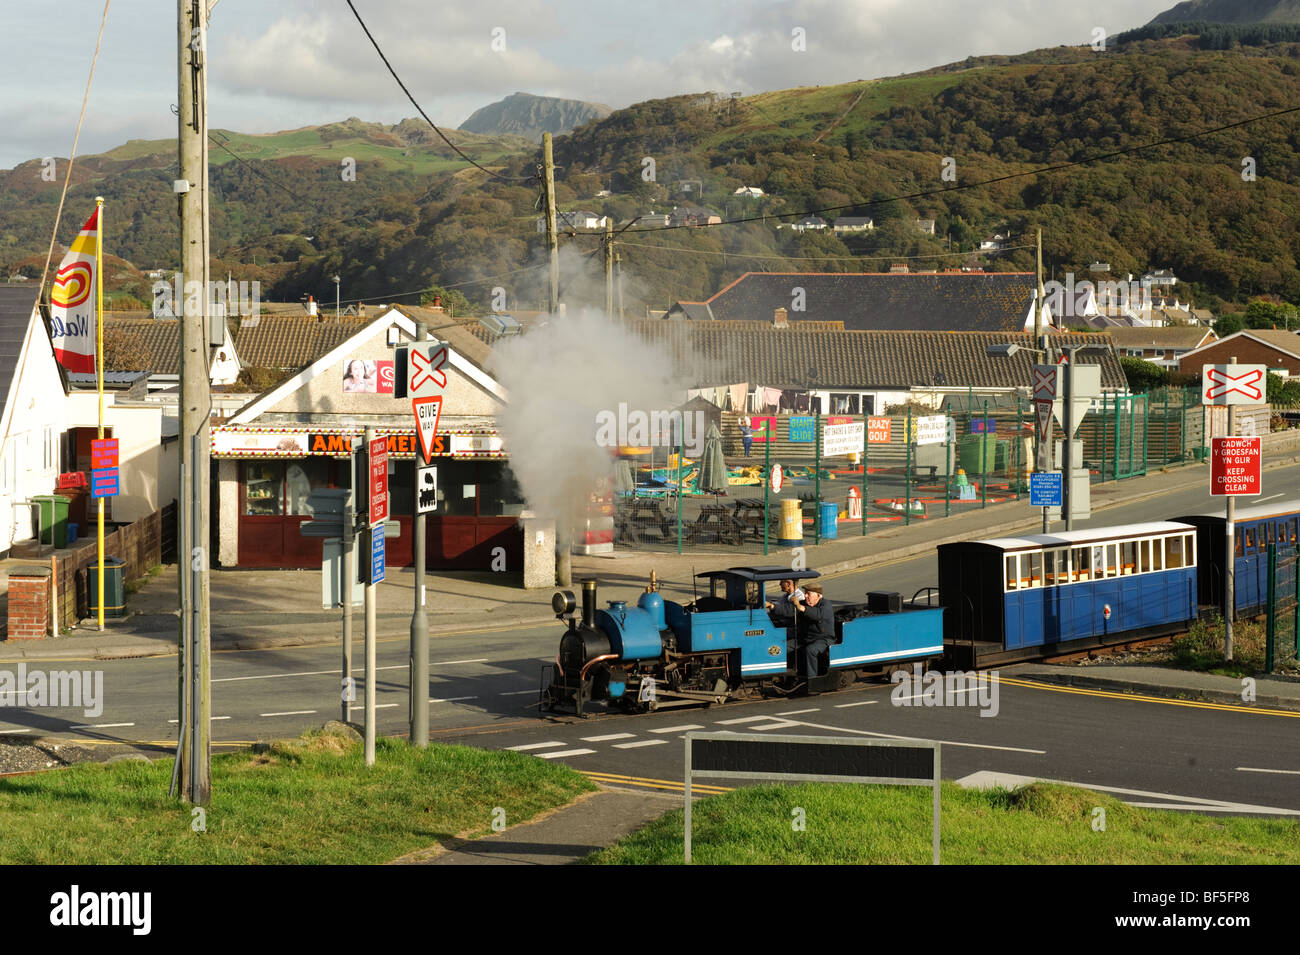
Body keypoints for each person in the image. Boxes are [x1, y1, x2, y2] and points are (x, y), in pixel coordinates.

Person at [793, 584, 834, 682]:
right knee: (786, 646)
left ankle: (812, 679)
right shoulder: (805, 604)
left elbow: (817, 615)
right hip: (807, 638)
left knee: (811, 650)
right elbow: (787, 610)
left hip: (824, 638)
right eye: (805, 593)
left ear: (818, 595)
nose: (805, 596)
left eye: (808, 594)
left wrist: (800, 607)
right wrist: (773, 607)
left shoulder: (826, 604)